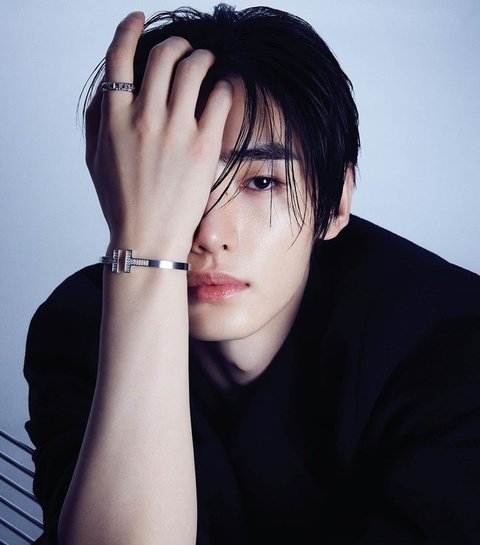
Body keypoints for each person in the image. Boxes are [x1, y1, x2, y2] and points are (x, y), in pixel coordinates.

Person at [23, 4, 480, 545]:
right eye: (180, 179)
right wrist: (144, 252)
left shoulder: (452, 344)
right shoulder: (77, 327)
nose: (210, 234)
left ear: (336, 203)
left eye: (262, 182)